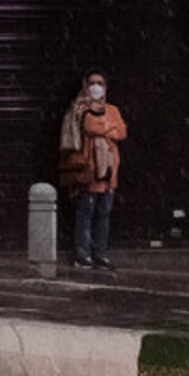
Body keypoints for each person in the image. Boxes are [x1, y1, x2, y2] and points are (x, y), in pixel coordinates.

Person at [59, 71, 127, 270]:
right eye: (92, 83)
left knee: (104, 214)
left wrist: (104, 127)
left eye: (100, 83)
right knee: (85, 212)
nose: (96, 87)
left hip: (109, 171)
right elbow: (90, 126)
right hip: (89, 170)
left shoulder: (112, 109)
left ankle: (100, 254)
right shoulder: (79, 109)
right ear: (85, 85)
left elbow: (122, 131)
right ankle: (82, 254)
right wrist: (108, 128)